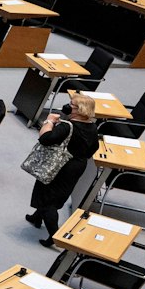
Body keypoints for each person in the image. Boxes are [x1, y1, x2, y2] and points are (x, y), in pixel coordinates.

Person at [26, 91, 98, 242]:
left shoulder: (67, 127)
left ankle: (54, 236)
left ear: (80, 110)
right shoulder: (92, 126)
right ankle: (36, 218)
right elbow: (93, 148)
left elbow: (45, 139)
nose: (67, 106)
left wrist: (49, 121)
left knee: (48, 201)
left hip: (60, 166)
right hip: (78, 166)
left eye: (71, 105)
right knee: (54, 195)